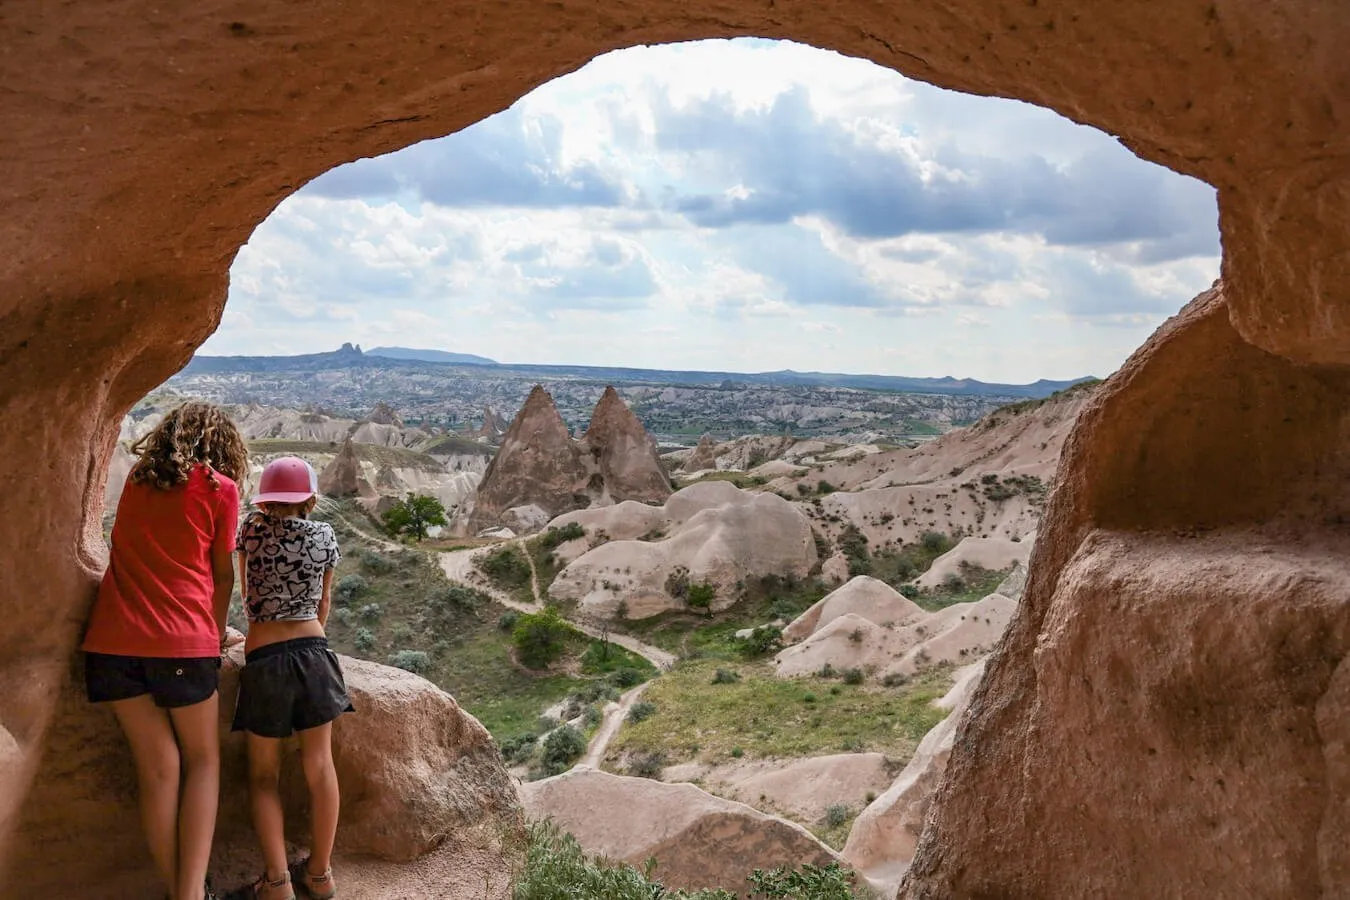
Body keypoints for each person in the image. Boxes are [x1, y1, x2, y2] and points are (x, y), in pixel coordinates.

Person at [82, 401, 248, 900]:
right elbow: (222, 577)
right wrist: (215, 635)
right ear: (223, 447)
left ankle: (180, 889)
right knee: (202, 763)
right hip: (181, 643)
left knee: (158, 769)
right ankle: (191, 893)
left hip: (111, 642)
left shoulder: (137, 478)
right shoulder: (221, 489)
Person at [233, 456, 351, 900]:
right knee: (320, 767)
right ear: (310, 499)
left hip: (265, 657)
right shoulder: (324, 535)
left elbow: (246, 595)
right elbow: (324, 604)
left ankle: (277, 882)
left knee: (263, 776)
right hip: (313, 652)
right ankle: (320, 875)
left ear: (265, 499)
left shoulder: (250, 529)